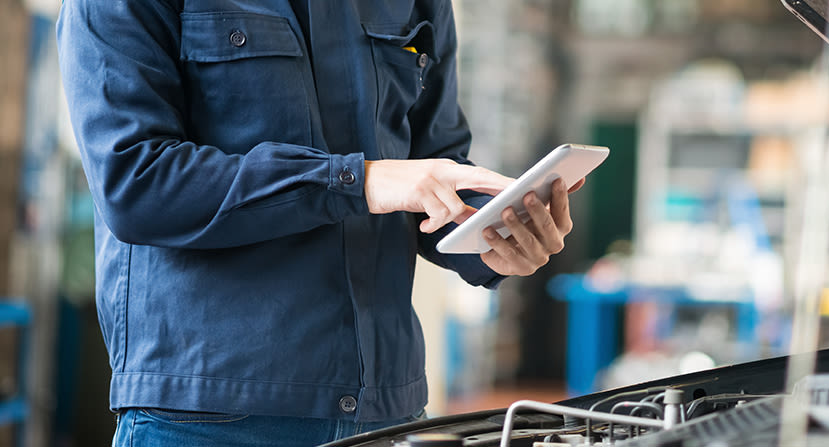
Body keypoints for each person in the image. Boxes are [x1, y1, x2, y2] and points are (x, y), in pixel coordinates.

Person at [57, 1, 581, 445]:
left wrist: (497, 233)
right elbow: (135, 182)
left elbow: (432, 164)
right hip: (211, 416)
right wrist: (359, 180)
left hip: (385, 412)